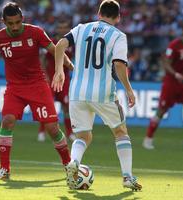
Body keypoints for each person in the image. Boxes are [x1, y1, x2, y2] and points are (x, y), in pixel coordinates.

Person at [0, 2, 73, 180]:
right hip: (14, 88)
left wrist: (68, 65)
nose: (15, 27)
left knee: (52, 129)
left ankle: (68, 165)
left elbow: (55, 50)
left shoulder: (36, 32)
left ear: (22, 18)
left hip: (38, 85)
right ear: (3, 21)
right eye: (10, 23)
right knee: (7, 121)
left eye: (17, 22)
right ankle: (4, 169)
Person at [52, 0, 142, 191]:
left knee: (83, 135)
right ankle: (127, 177)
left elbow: (60, 45)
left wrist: (59, 70)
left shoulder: (82, 28)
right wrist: (128, 89)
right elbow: (119, 64)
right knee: (120, 132)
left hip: (77, 92)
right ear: (118, 17)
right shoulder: (118, 36)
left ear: (99, 14)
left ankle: (74, 161)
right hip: (103, 92)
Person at [143, 21, 183, 150]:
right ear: (182, 31)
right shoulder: (174, 45)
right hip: (171, 83)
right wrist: (175, 74)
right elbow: (166, 63)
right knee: (162, 111)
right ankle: (148, 139)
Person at [37, 21, 75, 142]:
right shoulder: (51, 43)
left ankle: (70, 133)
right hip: (50, 79)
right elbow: (42, 59)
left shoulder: (72, 45)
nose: (63, 29)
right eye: (60, 27)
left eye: (65, 27)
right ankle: (42, 131)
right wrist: (45, 76)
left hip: (65, 81)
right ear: (57, 29)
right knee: (47, 106)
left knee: (66, 107)